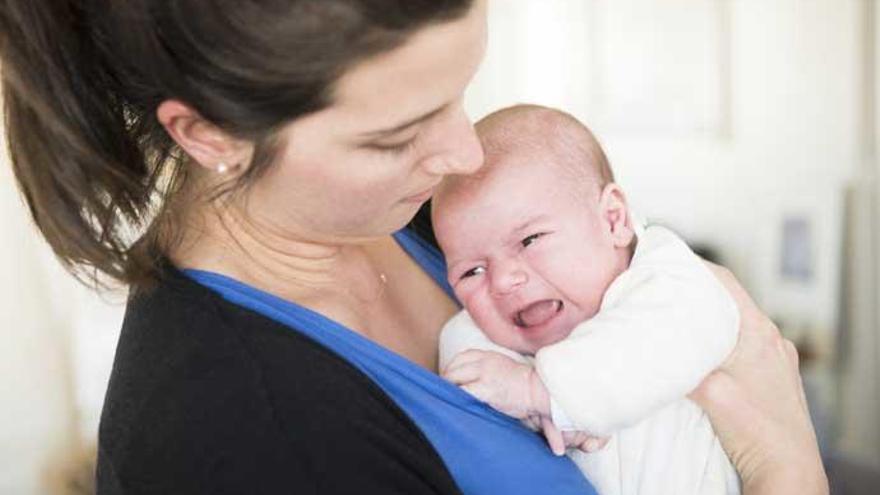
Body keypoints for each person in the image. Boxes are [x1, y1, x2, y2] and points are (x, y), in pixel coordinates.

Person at [0, 0, 827, 494]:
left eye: (461, 92)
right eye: (398, 135)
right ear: (210, 132)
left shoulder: (418, 211)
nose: (464, 154)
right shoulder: (234, 440)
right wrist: (787, 467)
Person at [433, 104, 741, 495]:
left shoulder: (666, 276)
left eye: (530, 240)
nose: (504, 281)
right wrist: (520, 399)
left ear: (613, 219)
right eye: (471, 272)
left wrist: (539, 392)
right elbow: (469, 366)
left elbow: (687, 329)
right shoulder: (487, 329)